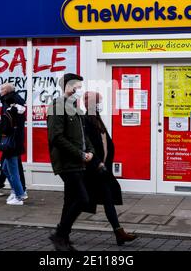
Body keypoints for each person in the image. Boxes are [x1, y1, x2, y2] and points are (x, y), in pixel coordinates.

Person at [47, 73, 95, 251]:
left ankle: (63, 241)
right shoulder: (57, 105)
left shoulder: (75, 108)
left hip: (78, 162)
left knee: (70, 200)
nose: (79, 90)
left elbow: (84, 135)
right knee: (83, 199)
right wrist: (80, 154)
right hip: (67, 162)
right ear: (68, 86)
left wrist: (90, 151)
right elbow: (56, 137)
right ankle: (60, 234)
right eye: (77, 86)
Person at [83, 91, 137, 246]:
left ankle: (119, 232)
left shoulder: (97, 120)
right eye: (97, 103)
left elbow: (105, 143)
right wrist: (97, 162)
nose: (100, 105)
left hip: (102, 170)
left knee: (108, 200)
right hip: (94, 170)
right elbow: (88, 146)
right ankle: (63, 230)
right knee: (78, 202)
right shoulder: (86, 121)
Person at [0, 83, 27, 199]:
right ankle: (16, 190)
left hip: (11, 140)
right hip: (14, 139)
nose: (0, 90)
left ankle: (19, 193)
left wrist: (2, 125)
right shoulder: (11, 100)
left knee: (11, 166)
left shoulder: (11, 101)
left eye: (3, 88)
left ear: (8, 90)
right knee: (8, 165)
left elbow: (10, 121)